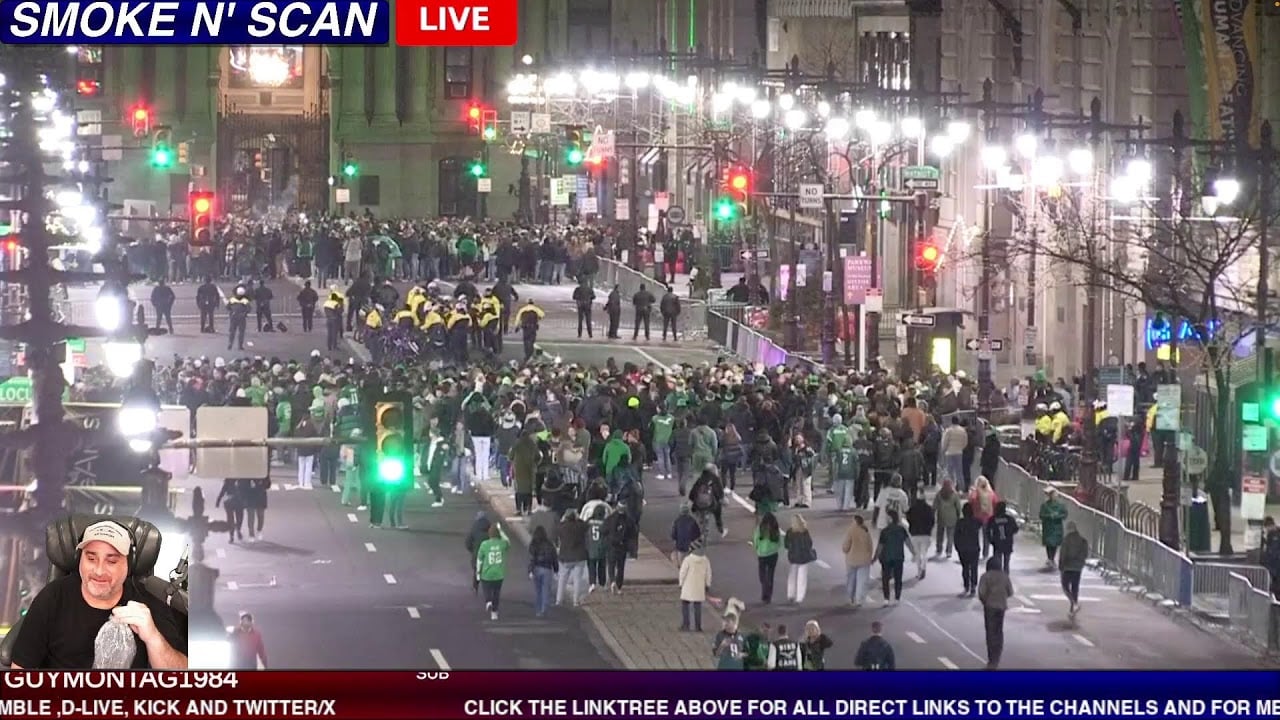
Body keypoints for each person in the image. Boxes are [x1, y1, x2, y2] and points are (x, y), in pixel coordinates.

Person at [9, 520, 188, 669]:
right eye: (91, 558)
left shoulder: (148, 606)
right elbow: (20, 672)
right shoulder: (53, 597)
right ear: (79, 559)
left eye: (111, 560)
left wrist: (152, 637)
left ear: (129, 565)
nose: (99, 570)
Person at [977, 554, 1013, 670]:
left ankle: (991, 659)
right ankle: (997, 655)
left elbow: (982, 592)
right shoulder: (1005, 577)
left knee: (990, 633)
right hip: (1001, 607)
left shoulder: (985, 577)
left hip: (990, 607)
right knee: (999, 631)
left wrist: (985, 601)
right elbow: (1010, 592)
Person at [875, 510, 912, 605]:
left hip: (886, 558)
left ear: (890, 518)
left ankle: (886, 599)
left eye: (887, 517)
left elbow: (880, 546)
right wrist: (914, 552)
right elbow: (908, 542)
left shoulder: (885, 531)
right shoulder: (901, 530)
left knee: (885, 578)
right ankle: (897, 598)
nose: (886, 519)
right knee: (898, 578)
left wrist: (875, 557)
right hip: (898, 557)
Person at [476, 524, 510, 621]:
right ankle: (494, 613)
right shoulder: (502, 544)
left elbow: (479, 560)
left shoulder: (484, 544)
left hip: (487, 572)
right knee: (496, 593)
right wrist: (501, 531)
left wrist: (478, 572)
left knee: (486, 589)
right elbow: (508, 542)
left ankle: (488, 601)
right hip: (499, 573)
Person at [677, 540, 711, 632]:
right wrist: (707, 584)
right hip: (699, 587)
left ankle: (686, 624)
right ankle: (698, 626)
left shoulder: (688, 560)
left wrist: (681, 583)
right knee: (697, 606)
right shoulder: (705, 560)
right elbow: (708, 574)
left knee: (685, 605)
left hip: (688, 586)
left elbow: (682, 573)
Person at [1058, 520, 1090, 617]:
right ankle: (1073, 606)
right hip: (1078, 567)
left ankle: (1073, 602)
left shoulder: (1066, 540)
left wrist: (1061, 564)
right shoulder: (1082, 540)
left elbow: (1063, 553)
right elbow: (1085, 553)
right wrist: (1081, 562)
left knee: (1065, 585)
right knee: (1075, 586)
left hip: (1068, 566)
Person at [841, 514, 873, 607]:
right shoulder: (866, 531)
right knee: (862, 581)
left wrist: (845, 550)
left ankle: (850, 598)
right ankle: (859, 599)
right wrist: (869, 557)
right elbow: (870, 546)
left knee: (851, 580)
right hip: (864, 561)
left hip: (851, 560)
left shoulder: (851, 530)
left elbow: (845, 547)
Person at [527, 525, 559, 618]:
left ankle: (538, 610)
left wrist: (530, 570)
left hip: (536, 568)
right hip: (547, 569)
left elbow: (531, 558)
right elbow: (554, 558)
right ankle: (544, 608)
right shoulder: (549, 544)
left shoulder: (533, 544)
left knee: (538, 591)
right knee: (546, 590)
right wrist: (556, 570)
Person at [783, 514, 815, 605]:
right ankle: (799, 597)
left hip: (793, 557)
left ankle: (790, 594)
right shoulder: (804, 532)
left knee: (792, 576)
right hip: (803, 557)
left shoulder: (790, 532)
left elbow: (786, 545)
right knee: (802, 577)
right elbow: (809, 544)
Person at [751, 512, 781, 605]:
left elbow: (755, 540)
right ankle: (768, 595)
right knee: (770, 575)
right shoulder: (776, 530)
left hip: (762, 555)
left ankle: (765, 593)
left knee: (762, 575)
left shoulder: (759, 530)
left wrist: (756, 549)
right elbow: (779, 542)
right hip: (773, 554)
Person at [1040, 487, 1068, 569]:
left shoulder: (1060, 505)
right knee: (1049, 543)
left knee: (1054, 543)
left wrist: (1057, 516)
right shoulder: (1045, 505)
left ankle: (1051, 558)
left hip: (1056, 527)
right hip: (1048, 527)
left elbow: (1064, 514)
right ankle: (1050, 558)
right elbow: (1041, 515)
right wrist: (1049, 516)